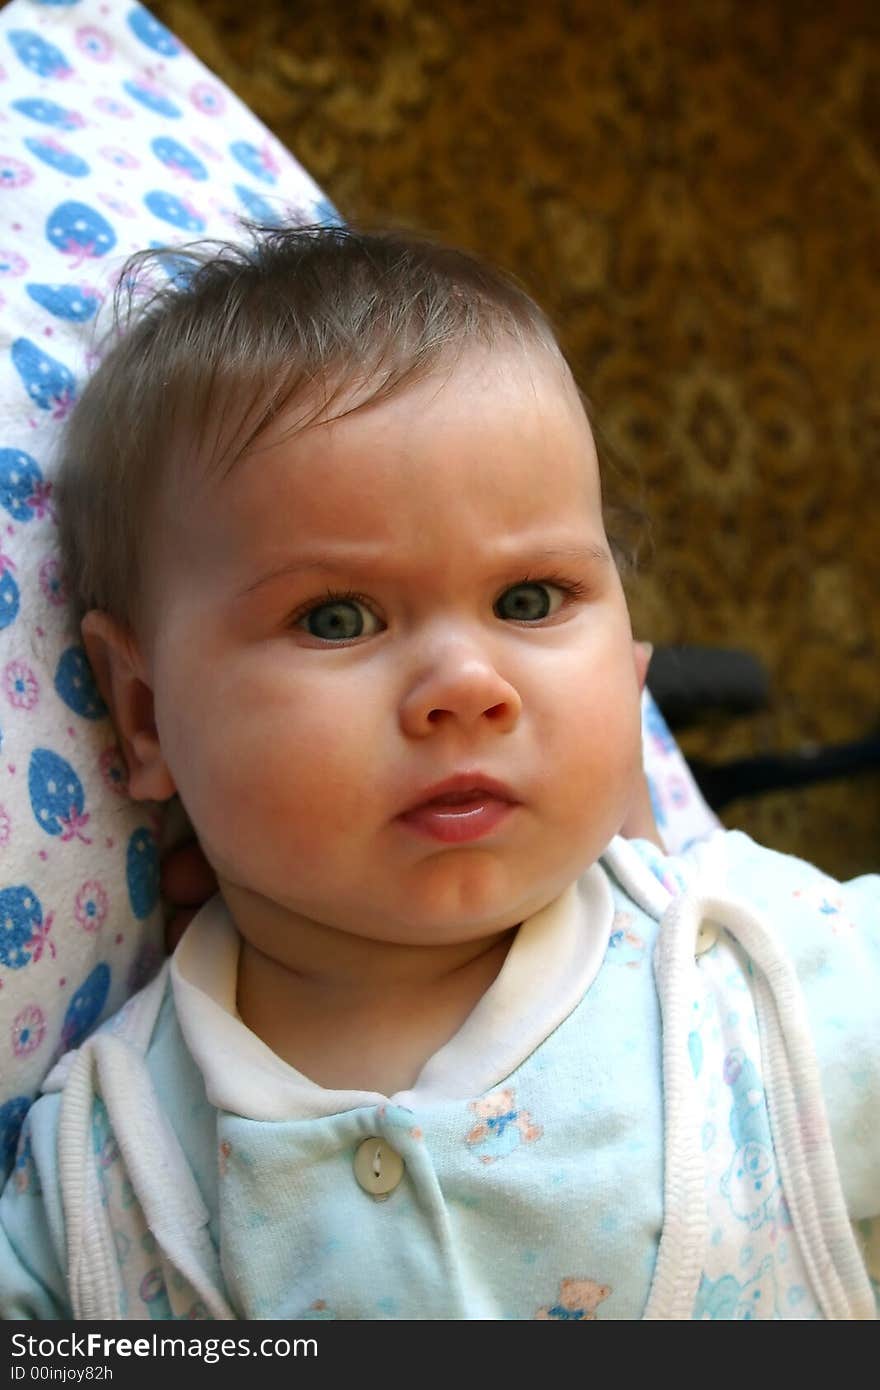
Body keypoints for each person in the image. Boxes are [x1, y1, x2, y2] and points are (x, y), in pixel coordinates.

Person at [0, 225, 876, 1321]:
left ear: (631, 666)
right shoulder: (102, 1169)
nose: (468, 684)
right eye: (336, 616)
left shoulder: (764, 971)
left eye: (529, 600)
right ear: (143, 712)